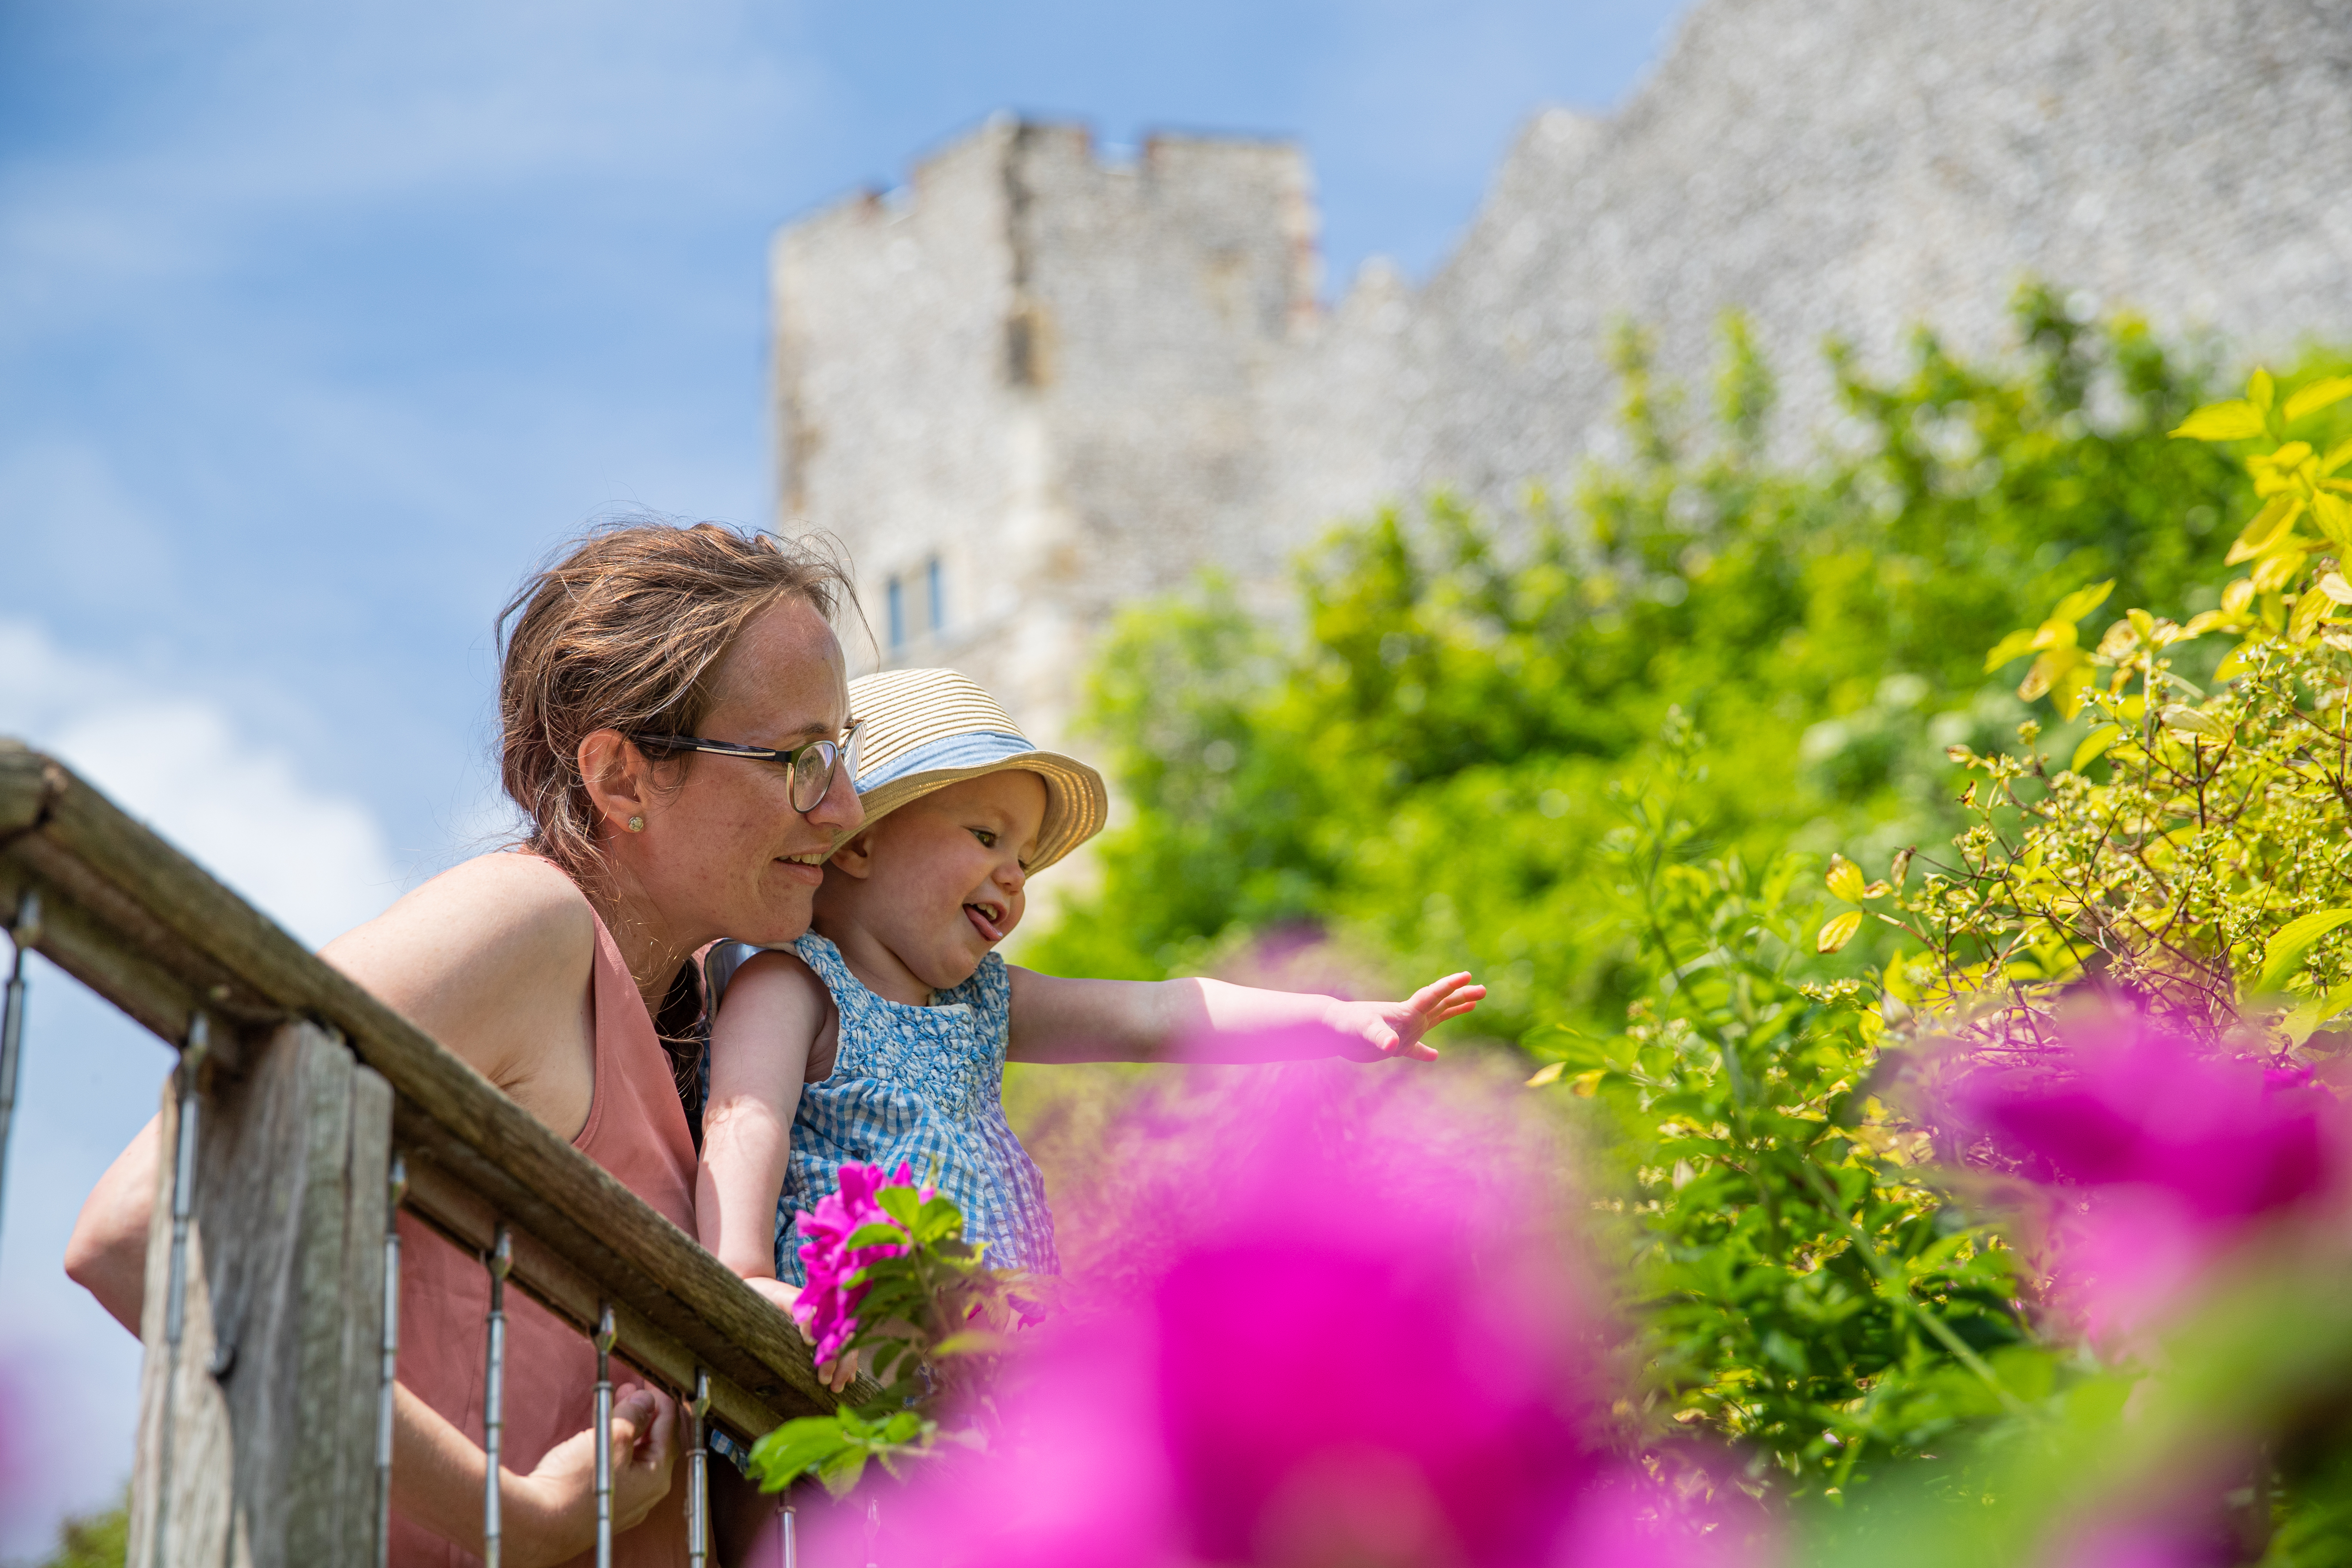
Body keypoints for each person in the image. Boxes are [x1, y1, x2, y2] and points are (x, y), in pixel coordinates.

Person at [64, 521, 865, 1567]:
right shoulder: (523, 925)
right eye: (800, 760)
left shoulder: (713, 1018)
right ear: (623, 778)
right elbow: (144, 1230)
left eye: (843, 753)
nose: (846, 808)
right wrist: (515, 1511)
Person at [695, 668, 1485, 1387]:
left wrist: (1331, 1019)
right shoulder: (795, 986)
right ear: (862, 841)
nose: (1014, 876)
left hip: (985, 1379)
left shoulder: (983, 1003)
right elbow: (743, 1121)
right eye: (986, 837)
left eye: (1028, 861)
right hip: (839, 1357)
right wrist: (748, 1277)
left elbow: (1156, 1014)